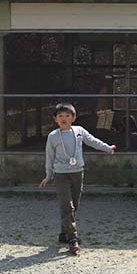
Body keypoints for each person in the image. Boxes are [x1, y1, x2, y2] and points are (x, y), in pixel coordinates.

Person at [38, 103, 116, 255]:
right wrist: (48, 175)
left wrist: (108, 148)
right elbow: (49, 157)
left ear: (73, 118)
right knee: (67, 205)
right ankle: (73, 239)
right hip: (60, 174)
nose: (64, 119)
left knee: (74, 205)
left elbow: (93, 141)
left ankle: (64, 233)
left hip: (77, 172)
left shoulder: (79, 131)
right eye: (60, 116)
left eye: (67, 116)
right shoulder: (53, 136)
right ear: (55, 119)